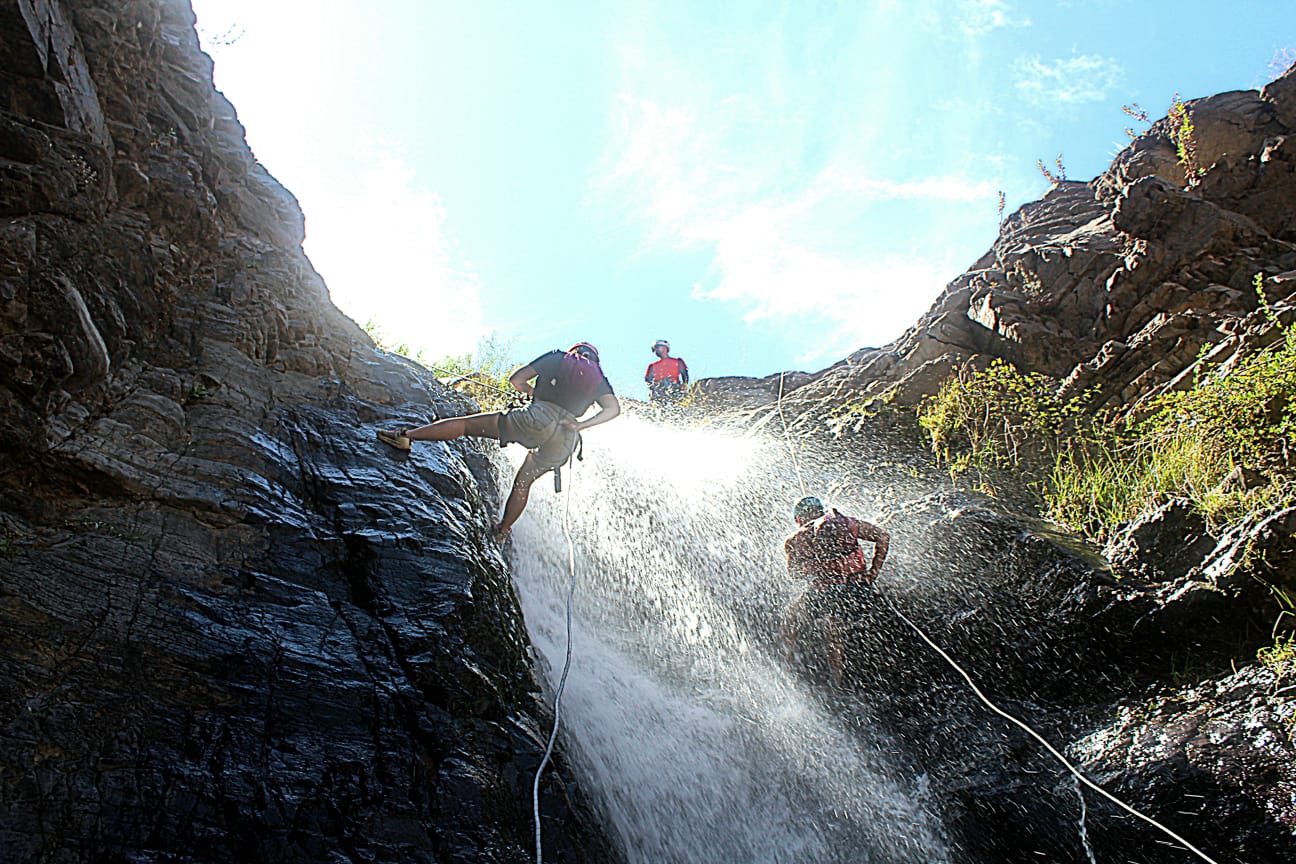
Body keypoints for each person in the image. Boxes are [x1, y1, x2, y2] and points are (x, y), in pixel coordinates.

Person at [377, 342, 620, 541]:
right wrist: (580, 425)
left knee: (465, 426)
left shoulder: (558, 358)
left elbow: (517, 380)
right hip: (566, 437)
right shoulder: (598, 378)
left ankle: (405, 436)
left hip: (538, 417)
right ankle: (503, 530)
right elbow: (613, 410)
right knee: (524, 481)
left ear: (574, 351)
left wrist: (534, 394)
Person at [780, 495, 890, 686]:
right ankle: (836, 681)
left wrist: (813, 566)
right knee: (834, 624)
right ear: (821, 511)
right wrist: (873, 572)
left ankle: (789, 670)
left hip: (824, 592)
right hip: (859, 587)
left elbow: (795, 575)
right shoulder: (846, 523)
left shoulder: (793, 541)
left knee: (791, 618)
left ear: (798, 519)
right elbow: (883, 537)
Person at [644, 339, 689, 404]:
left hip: (674, 386)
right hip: (659, 389)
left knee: (678, 402)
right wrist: (652, 390)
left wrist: (684, 385)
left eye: (657, 348)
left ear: (665, 348)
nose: (656, 351)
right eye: (655, 349)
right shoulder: (652, 366)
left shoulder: (678, 361)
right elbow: (648, 380)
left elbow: (684, 374)